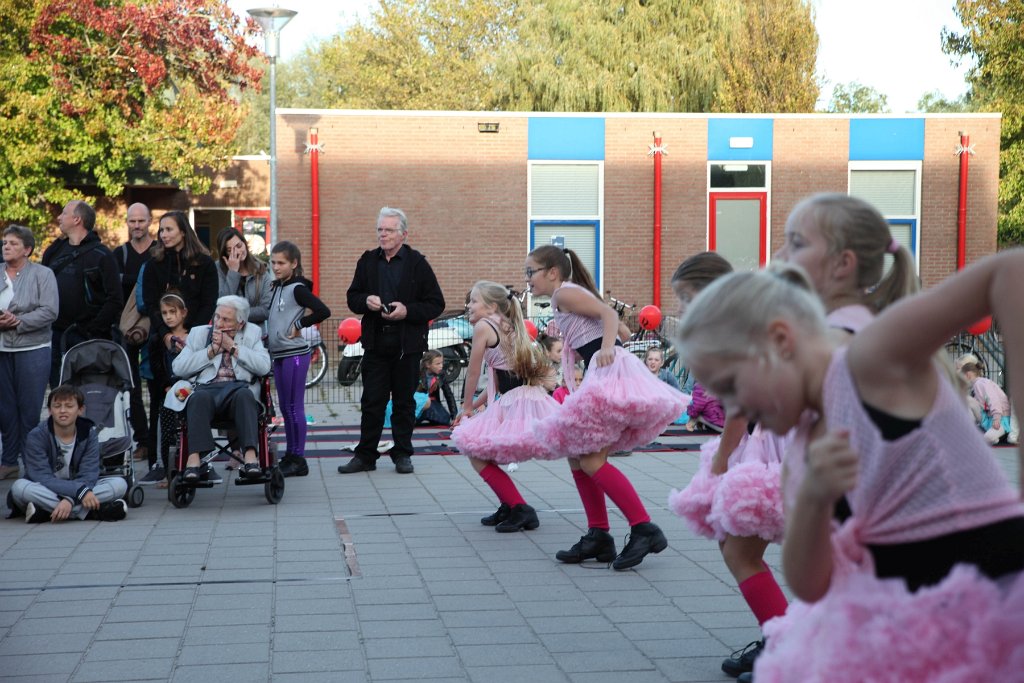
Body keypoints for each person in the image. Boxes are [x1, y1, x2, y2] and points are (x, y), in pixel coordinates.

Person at [675, 250, 1024, 682]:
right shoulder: (801, 445)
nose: (735, 407)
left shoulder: (861, 362)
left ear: (781, 342)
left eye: (732, 385)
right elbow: (809, 584)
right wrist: (814, 502)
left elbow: (1011, 272)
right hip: (912, 635)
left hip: (992, 605)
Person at [526, 245, 687, 570]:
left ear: (552, 272)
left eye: (531, 272)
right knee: (577, 452)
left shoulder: (563, 294)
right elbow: (624, 331)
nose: (527, 279)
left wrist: (606, 351)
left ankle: (644, 527)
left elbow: (612, 318)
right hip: (605, 370)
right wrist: (607, 342)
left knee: (591, 458)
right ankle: (599, 534)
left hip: (607, 371)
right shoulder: (569, 295)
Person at [338, 207, 445, 475]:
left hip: (406, 346)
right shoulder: (368, 261)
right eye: (379, 230)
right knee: (371, 401)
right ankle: (365, 456)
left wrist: (407, 311)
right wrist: (366, 301)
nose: (382, 235)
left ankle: (402, 454)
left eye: (388, 230)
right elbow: (353, 297)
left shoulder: (417, 264)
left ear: (403, 234)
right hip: (375, 343)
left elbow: (436, 303)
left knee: (404, 402)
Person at [451, 281, 557, 532]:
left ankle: (520, 508)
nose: (469, 305)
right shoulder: (508, 325)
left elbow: (474, 371)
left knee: (475, 452)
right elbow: (498, 382)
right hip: (521, 397)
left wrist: (466, 407)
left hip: (514, 401)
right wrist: (476, 407)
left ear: (491, 306)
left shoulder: (483, 327)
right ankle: (508, 504)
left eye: (474, 301)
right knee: (485, 450)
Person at [141, 211, 218, 480]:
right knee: (163, 403)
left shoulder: (204, 264)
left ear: (183, 231)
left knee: (196, 400)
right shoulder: (154, 264)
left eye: (169, 229)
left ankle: (200, 461)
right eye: (161, 230)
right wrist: (165, 333)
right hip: (162, 343)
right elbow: (150, 304)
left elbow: (210, 301)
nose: (163, 235)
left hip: (195, 340)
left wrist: (191, 333)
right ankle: (163, 465)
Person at [172, 296, 272, 482]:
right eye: (217, 317)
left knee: (244, 395)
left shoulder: (252, 333)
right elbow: (178, 367)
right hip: (207, 390)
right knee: (198, 398)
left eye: (226, 319)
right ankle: (194, 459)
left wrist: (233, 347)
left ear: (240, 323)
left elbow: (264, 366)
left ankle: (250, 457)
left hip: (238, 391)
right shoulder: (199, 334)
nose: (218, 323)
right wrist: (210, 352)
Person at [7, 385, 127, 523]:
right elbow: (42, 477)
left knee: (119, 484)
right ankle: (91, 512)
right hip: (47, 489)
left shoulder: (89, 434)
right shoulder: (36, 436)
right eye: (57, 406)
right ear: (50, 410)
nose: (63, 411)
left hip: (78, 487)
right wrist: (80, 493)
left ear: (80, 410)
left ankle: (48, 512)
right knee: (20, 487)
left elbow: (89, 474)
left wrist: (69, 500)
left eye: (69, 406)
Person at [41, 200, 123, 388]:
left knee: (85, 393)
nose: (59, 217)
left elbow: (115, 300)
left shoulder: (103, 255)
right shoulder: (56, 250)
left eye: (63, 213)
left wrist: (92, 330)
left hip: (87, 339)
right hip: (55, 335)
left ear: (77, 219)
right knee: (58, 391)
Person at [267, 241, 330, 478]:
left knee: (294, 408)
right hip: (280, 355)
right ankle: (290, 455)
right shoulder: (278, 286)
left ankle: (298, 457)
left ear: (294, 264)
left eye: (281, 263)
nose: (276, 267)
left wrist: (299, 324)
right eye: (273, 262)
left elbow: (323, 310)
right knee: (284, 408)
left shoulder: (297, 288)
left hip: (294, 355)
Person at [0, 225, 59, 480]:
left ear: (27, 249)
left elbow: (49, 311)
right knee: (5, 409)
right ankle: (9, 461)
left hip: (33, 348)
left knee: (29, 409)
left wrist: (18, 321)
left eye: (13, 243)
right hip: (1, 349)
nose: (6, 247)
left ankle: (32, 461)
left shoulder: (43, 274)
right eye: (4, 243)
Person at [114, 203, 156, 465]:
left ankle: (159, 439)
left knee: (157, 385)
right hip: (128, 327)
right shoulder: (119, 254)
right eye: (133, 221)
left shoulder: (159, 252)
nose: (137, 226)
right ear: (127, 223)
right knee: (131, 387)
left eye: (142, 221)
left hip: (154, 326)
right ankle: (142, 439)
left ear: (150, 221)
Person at [147, 292, 190, 488]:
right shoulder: (158, 339)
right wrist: (166, 386)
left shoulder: (194, 336)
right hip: (169, 391)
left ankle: (195, 464)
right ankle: (166, 469)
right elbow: (156, 366)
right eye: (164, 313)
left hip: (191, 389)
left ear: (183, 313)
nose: (169, 317)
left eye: (172, 312)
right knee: (166, 429)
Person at [216, 227, 272, 330]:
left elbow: (266, 310)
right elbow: (221, 305)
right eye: (230, 250)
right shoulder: (218, 269)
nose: (238, 252)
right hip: (226, 333)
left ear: (244, 243)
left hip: (255, 334)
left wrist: (237, 315)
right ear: (224, 254)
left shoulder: (261, 269)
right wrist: (232, 273)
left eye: (239, 245)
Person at [958, 355, 1011, 444]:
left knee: (986, 438)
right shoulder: (977, 384)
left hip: (1000, 418)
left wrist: (996, 418)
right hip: (989, 417)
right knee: (968, 399)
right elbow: (979, 404)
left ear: (967, 375)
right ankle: (972, 430)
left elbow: (993, 400)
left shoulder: (981, 384)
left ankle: (988, 437)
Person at [417, 350, 457, 425]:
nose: (441, 366)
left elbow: (449, 395)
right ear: (428, 365)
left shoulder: (441, 374)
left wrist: (454, 416)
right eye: (438, 364)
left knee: (445, 419)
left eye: (442, 363)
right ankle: (421, 416)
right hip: (418, 403)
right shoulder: (417, 372)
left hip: (432, 402)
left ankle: (427, 415)